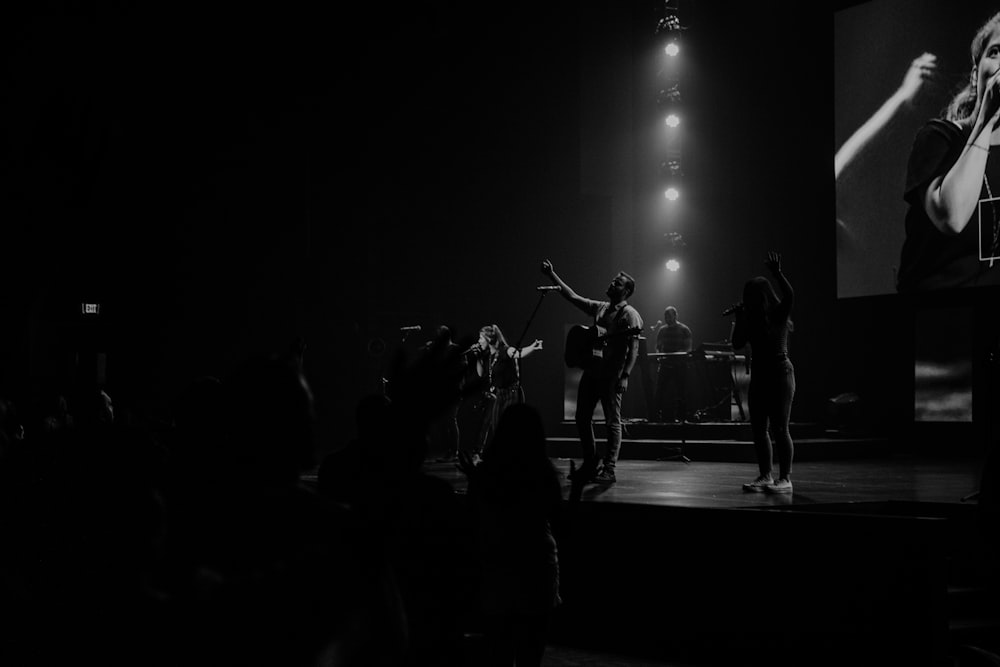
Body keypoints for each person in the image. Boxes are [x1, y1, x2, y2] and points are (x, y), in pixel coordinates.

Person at [896, 14, 1000, 292]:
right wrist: (987, 120)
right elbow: (950, 217)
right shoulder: (939, 136)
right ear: (976, 73)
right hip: (936, 314)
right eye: (995, 52)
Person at [540, 259, 642, 484]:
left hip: (612, 375)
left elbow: (634, 348)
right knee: (582, 417)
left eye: (617, 283)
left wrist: (625, 375)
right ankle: (590, 461)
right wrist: (552, 276)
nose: (612, 283)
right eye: (613, 280)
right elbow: (573, 296)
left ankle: (609, 469)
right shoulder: (601, 307)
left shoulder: (629, 314)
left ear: (626, 291)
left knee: (611, 422)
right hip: (592, 372)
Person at [731, 251, 796, 494]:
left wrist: (778, 274)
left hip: (780, 372)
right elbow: (737, 342)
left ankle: (785, 477)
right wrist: (739, 318)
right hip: (759, 374)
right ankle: (765, 475)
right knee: (759, 428)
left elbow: (790, 295)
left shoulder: (778, 313)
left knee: (780, 428)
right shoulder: (750, 319)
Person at [468, 324, 543, 456]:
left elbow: (519, 353)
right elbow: (480, 374)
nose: (479, 341)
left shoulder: (504, 351)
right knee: (496, 426)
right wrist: (477, 357)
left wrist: (533, 347)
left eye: (481, 338)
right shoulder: (487, 355)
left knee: (510, 426)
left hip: (512, 393)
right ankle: (502, 455)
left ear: (489, 339)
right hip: (499, 394)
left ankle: (514, 454)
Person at [654, 306, 693, 422]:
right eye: (665, 316)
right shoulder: (662, 330)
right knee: (659, 391)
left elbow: (688, 349)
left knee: (681, 392)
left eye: (669, 316)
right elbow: (657, 346)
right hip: (665, 365)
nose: (666, 318)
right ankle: (656, 416)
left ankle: (681, 418)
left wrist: (676, 355)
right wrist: (659, 355)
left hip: (679, 366)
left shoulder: (684, 330)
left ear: (676, 316)